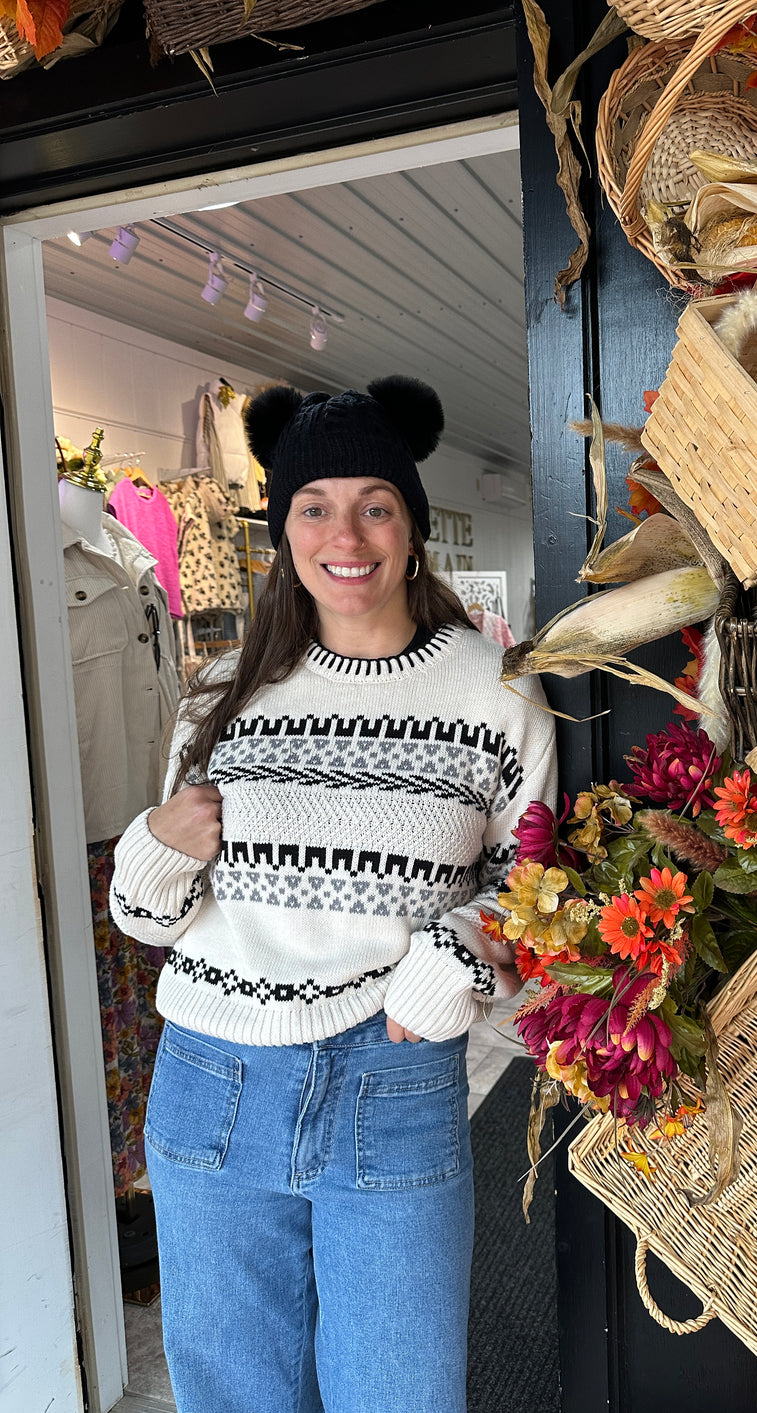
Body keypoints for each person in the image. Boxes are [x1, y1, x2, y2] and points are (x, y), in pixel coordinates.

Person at [109, 377, 556, 1413]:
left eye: (374, 504)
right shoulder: (223, 697)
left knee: (400, 1393)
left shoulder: (493, 691)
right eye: (313, 505)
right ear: (283, 528)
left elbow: (534, 891)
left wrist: (462, 949)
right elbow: (149, 920)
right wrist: (151, 849)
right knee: (233, 1398)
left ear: (409, 528)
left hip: (388, 1086)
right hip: (210, 1080)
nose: (342, 532)